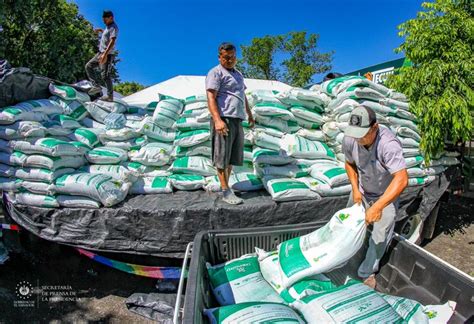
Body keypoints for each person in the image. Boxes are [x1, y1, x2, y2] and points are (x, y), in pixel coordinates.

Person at [342, 105, 408, 289]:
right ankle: (344, 256)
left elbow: (402, 179)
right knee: (348, 223)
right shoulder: (350, 138)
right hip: (363, 191)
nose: (358, 138)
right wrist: (355, 189)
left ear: (375, 127)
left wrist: (378, 206)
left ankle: (367, 273)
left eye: (363, 134)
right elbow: (349, 164)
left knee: (380, 234)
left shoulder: (388, 144)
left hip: (385, 195)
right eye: (355, 134)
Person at [205, 42, 255, 205]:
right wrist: (218, 120)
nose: (230, 60)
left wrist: (249, 113)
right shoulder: (215, 73)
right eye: (226, 57)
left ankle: (227, 185)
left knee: (232, 156)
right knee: (222, 156)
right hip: (224, 118)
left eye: (233, 57)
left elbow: (242, 95)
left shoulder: (238, 75)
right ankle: (225, 190)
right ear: (220, 57)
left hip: (237, 118)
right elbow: (211, 97)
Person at [85, 10, 119, 101]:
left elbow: (112, 41)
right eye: (103, 20)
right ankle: (96, 86)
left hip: (107, 54)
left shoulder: (114, 27)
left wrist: (105, 54)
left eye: (105, 20)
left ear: (111, 18)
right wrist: (100, 30)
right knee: (88, 66)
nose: (104, 21)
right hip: (100, 53)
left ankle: (110, 96)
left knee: (105, 75)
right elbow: (106, 35)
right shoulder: (107, 27)